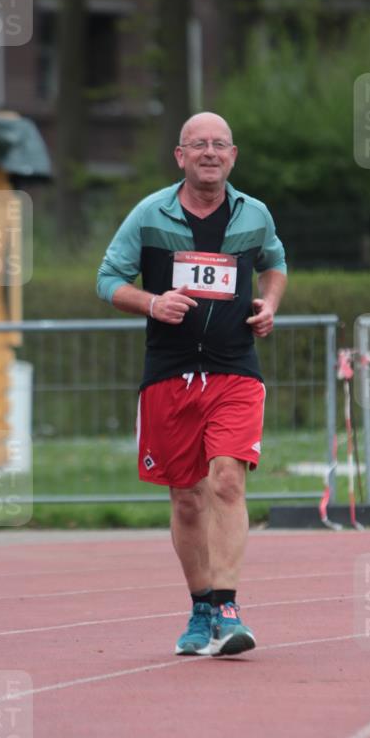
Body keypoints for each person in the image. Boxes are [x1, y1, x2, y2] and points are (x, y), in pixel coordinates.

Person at [96, 112, 287, 657]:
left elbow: (275, 262)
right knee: (186, 499)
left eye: (219, 144)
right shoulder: (149, 214)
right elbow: (107, 279)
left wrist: (268, 304)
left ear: (233, 155)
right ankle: (201, 607)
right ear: (180, 156)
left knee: (227, 479)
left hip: (235, 368)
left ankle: (229, 609)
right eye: (198, 144)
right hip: (170, 372)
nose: (210, 152)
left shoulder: (254, 215)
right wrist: (153, 302)